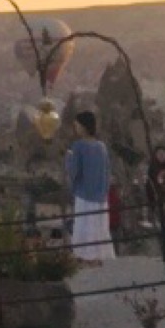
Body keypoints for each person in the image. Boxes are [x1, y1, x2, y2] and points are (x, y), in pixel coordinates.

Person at [65, 111, 114, 261]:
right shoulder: (102, 147)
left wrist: (68, 158)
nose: (75, 128)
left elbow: (74, 171)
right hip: (101, 196)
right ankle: (100, 256)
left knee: (84, 226)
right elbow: (107, 171)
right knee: (99, 227)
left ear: (83, 126)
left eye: (77, 125)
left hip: (85, 195)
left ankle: (85, 257)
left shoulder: (78, 146)